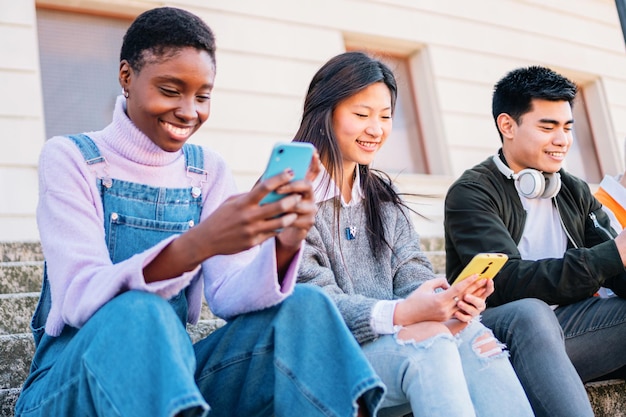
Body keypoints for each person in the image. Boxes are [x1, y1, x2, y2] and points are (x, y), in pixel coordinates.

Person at [14, 8, 385, 417]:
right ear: (126, 77)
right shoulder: (71, 158)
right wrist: (197, 245)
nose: (190, 111)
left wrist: (284, 242)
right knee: (140, 311)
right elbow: (80, 295)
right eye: (171, 90)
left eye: (202, 96)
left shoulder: (206, 169)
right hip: (68, 382)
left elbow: (229, 295)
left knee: (307, 305)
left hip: (171, 380)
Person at [295, 51, 533, 417]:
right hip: (328, 364)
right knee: (432, 343)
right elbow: (313, 302)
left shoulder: (383, 200)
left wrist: (451, 301)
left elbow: (413, 275)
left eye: (386, 116)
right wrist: (403, 313)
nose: (376, 129)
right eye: (361, 115)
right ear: (324, 112)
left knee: (475, 337)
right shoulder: (292, 197)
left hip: (393, 346)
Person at [444, 65, 626, 417]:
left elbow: (615, 271)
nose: (562, 140)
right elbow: (506, 282)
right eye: (548, 127)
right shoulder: (472, 193)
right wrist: (613, 254)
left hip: (568, 332)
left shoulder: (572, 189)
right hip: (499, 334)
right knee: (531, 312)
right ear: (507, 126)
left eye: (567, 127)